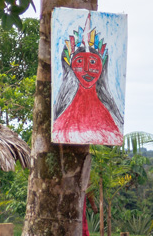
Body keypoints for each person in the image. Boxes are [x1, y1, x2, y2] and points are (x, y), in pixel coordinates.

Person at [52, 14, 124, 145]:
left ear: (102, 66)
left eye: (92, 61)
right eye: (79, 61)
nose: (86, 69)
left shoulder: (110, 119)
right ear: (70, 65)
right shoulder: (61, 118)